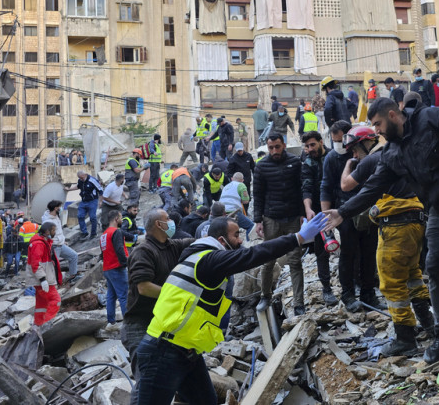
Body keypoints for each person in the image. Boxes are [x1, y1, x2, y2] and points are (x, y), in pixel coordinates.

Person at [324, 97, 439, 362]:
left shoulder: (434, 117)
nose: (377, 131)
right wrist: (342, 212)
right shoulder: (392, 153)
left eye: (378, 124)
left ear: (393, 115)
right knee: (435, 266)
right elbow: (373, 187)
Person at [134, 213, 328, 405]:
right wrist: (298, 238)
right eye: (236, 235)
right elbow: (253, 255)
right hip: (163, 350)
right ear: (221, 240)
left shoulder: (198, 256)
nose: (240, 240)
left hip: (185, 350)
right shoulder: (209, 260)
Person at [341, 126, 433, 356]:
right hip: (416, 221)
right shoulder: (400, 153)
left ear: (365, 143)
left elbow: (346, 185)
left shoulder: (372, 159)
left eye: (354, 149)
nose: (354, 155)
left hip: (396, 226)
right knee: (412, 274)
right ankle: (429, 324)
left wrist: (348, 166)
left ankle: (405, 338)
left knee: (391, 281)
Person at [121, 208, 194, 393]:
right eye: (167, 219)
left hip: (163, 323)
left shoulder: (172, 246)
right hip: (140, 325)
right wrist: (180, 296)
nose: (171, 222)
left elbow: (193, 243)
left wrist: (213, 240)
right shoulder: (143, 251)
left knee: (172, 379)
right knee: (146, 383)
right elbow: (144, 288)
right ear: (158, 224)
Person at [321, 120, 378, 312]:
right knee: (348, 254)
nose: (339, 145)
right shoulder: (332, 159)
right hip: (344, 213)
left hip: (369, 210)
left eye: (341, 141)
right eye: (335, 141)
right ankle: (348, 295)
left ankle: (368, 293)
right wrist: (325, 218)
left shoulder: (367, 157)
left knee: (369, 254)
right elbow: (327, 187)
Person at [253, 133, 306, 315]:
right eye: (271, 148)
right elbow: (258, 195)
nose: (274, 151)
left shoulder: (295, 163)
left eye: (277, 146)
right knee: (268, 260)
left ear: (283, 145)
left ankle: (299, 303)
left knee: (295, 261)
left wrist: (302, 214)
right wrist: (258, 220)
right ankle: (265, 295)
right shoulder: (261, 167)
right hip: (271, 219)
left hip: (292, 218)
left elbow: (301, 189)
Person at [300, 130, 336, 306]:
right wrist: (308, 209)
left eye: (312, 144)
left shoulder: (333, 156)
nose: (309, 149)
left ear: (321, 142)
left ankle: (355, 286)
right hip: (319, 211)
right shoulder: (307, 163)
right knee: (322, 251)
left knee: (351, 247)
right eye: (306, 146)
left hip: (340, 207)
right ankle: (327, 289)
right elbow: (306, 187)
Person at [100, 210, 132, 330]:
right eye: (120, 217)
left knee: (111, 296)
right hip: (117, 268)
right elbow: (119, 250)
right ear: (115, 219)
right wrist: (127, 263)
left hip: (107, 269)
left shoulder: (104, 234)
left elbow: (102, 253)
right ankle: (129, 324)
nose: (122, 220)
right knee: (124, 296)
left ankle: (111, 323)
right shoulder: (116, 232)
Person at [27, 223, 62, 326]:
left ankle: (38, 325)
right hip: (42, 280)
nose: (54, 232)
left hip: (43, 279)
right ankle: (47, 326)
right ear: (47, 232)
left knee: (42, 305)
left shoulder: (43, 242)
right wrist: (42, 279)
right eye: (53, 230)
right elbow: (35, 263)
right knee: (56, 301)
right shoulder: (39, 244)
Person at [41, 200, 80, 282]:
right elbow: (48, 236)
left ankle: (73, 276)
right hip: (54, 246)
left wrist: (62, 240)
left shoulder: (56, 217)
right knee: (53, 265)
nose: (61, 208)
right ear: (55, 208)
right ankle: (52, 282)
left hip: (60, 244)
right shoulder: (48, 221)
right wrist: (54, 242)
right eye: (59, 207)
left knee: (73, 256)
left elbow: (59, 231)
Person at [66, 171, 103, 240]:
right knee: (80, 216)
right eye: (80, 178)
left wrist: (100, 201)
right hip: (83, 201)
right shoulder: (80, 181)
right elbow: (77, 186)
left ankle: (93, 233)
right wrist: (69, 189)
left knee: (92, 217)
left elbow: (100, 191)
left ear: (85, 175)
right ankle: (84, 232)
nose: (81, 179)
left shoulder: (92, 180)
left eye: (82, 177)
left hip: (92, 201)